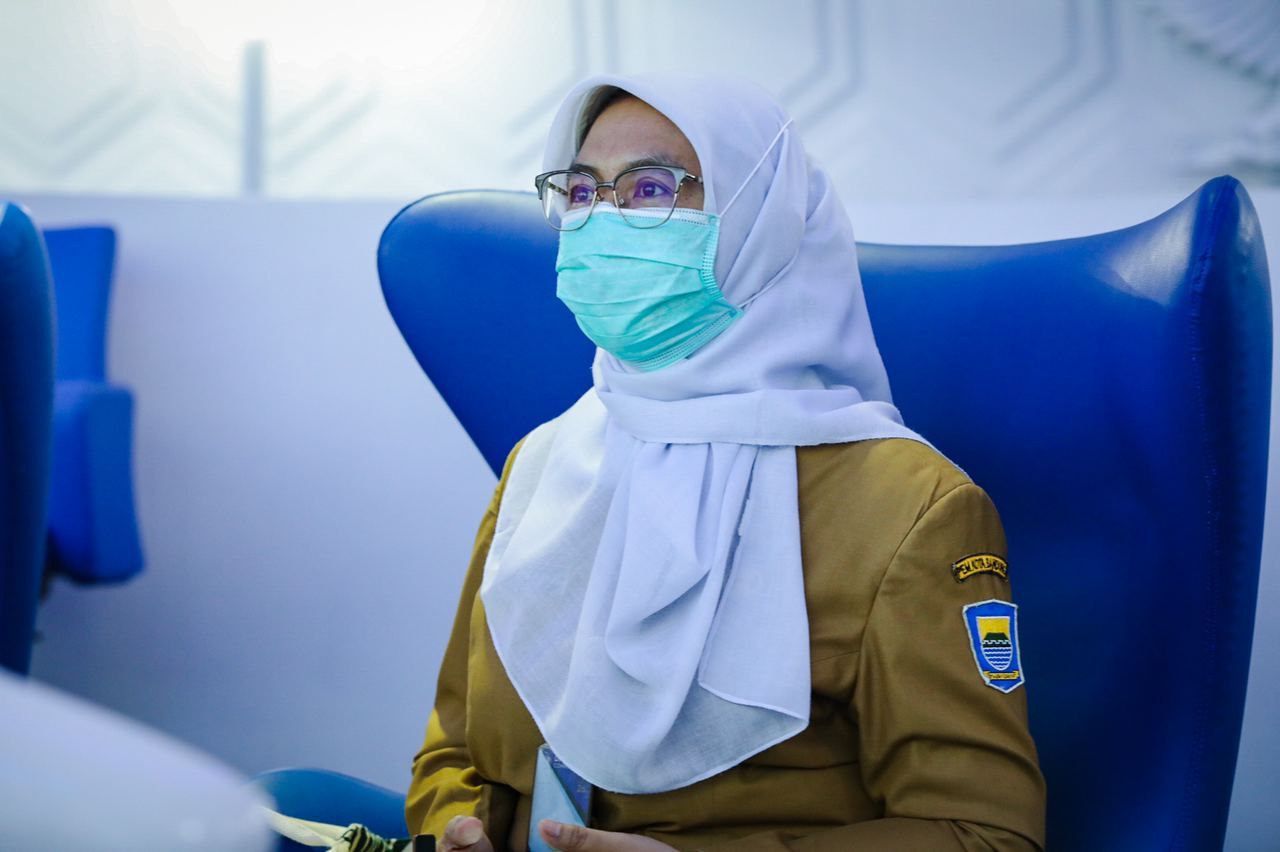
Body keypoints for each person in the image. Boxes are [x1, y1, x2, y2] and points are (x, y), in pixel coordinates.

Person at [406, 72, 1046, 852]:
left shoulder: (909, 507)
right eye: (580, 191)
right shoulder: (539, 466)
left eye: (649, 189)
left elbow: (984, 834)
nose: (602, 220)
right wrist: (457, 829)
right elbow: (453, 754)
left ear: (757, 222)